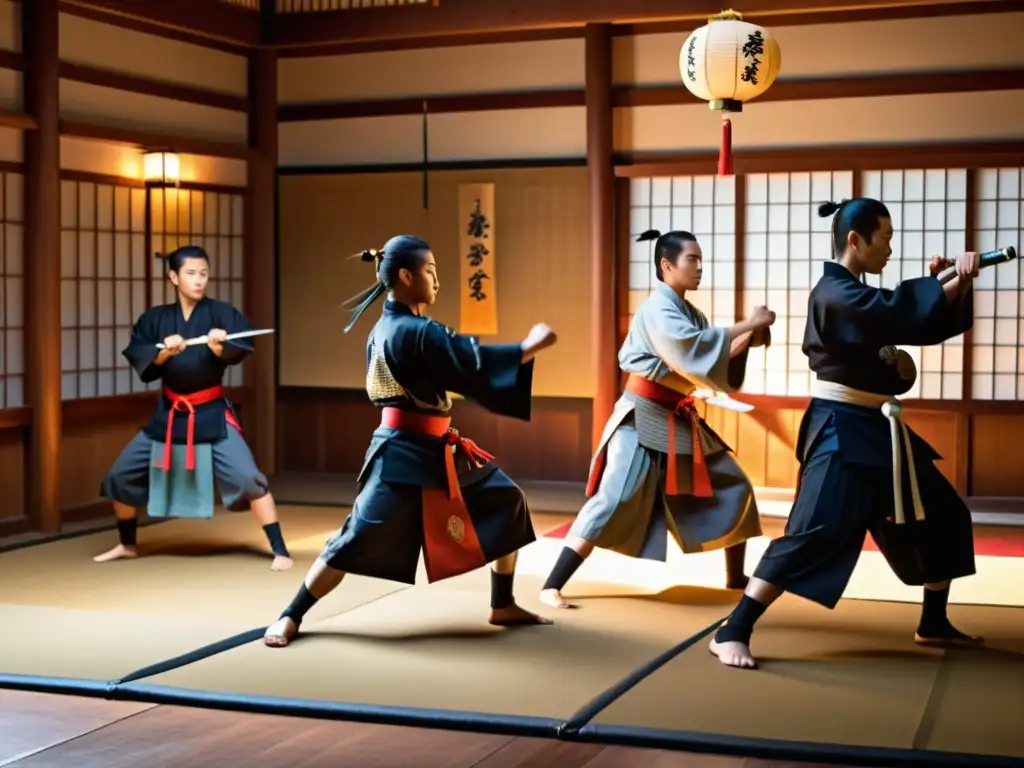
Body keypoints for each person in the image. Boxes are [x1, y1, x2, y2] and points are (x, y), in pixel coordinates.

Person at [710, 198, 983, 670]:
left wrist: (950, 285)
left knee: (943, 515)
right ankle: (733, 627)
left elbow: (906, 317)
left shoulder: (856, 293)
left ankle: (933, 622)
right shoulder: (835, 292)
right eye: (885, 238)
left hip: (878, 429)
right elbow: (897, 310)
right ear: (855, 240)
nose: (891, 248)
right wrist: (949, 280)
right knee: (818, 528)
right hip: (840, 427)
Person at [263, 235, 558, 647]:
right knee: (356, 535)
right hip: (401, 453)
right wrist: (527, 348)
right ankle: (290, 615)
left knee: (507, 500)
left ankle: (502, 604)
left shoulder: (387, 328)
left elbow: (451, 366)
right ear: (406, 276)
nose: (437, 281)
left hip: (438, 448)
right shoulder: (415, 331)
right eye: (431, 272)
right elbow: (469, 361)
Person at [539, 229, 775, 610]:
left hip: (677, 414)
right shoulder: (657, 308)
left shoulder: (690, 311)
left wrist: (751, 336)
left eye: (701, 259)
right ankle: (551, 583)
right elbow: (691, 348)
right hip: (642, 413)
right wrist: (747, 326)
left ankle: (734, 576)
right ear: (667, 265)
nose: (699, 267)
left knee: (733, 484)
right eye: (691, 260)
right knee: (616, 496)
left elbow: (708, 361)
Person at [93, 245, 293, 571]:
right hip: (170, 412)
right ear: (173, 276)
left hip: (210, 410)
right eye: (190, 273)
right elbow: (144, 359)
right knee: (120, 475)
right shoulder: (155, 319)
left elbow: (241, 346)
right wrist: (163, 355)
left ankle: (280, 550)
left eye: (203, 273)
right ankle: (127, 545)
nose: (199, 280)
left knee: (248, 477)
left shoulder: (221, 314)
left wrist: (220, 347)